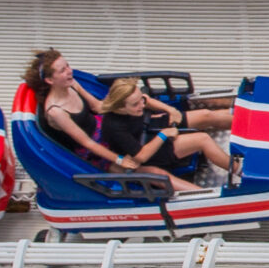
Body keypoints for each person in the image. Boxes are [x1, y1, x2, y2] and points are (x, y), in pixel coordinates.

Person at [25, 49, 231, 183]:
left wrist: (123, 106)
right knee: (155, 175)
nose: (69, 71)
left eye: (67, 66)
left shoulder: (72, 84)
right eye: (62, 70)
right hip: (99, 150)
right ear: (51, 80)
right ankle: (206, 196)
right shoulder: (56, 111)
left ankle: (254, 122)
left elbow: (98, 106)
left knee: (204, 114)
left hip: (111, 125)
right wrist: (120, 159)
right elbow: (87, 143)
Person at [93, 78, 205, 191]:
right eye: (136, 104)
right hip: (135, 153)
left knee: (205, 115)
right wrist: (163, 134)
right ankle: (203, 194)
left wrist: (170, 110)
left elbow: (146, 100)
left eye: (140, 99)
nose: (142, 105)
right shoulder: (114, 126)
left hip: (144, 132)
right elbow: (141, 156)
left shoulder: (134, 103)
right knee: (202, 139)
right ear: (121, 108)